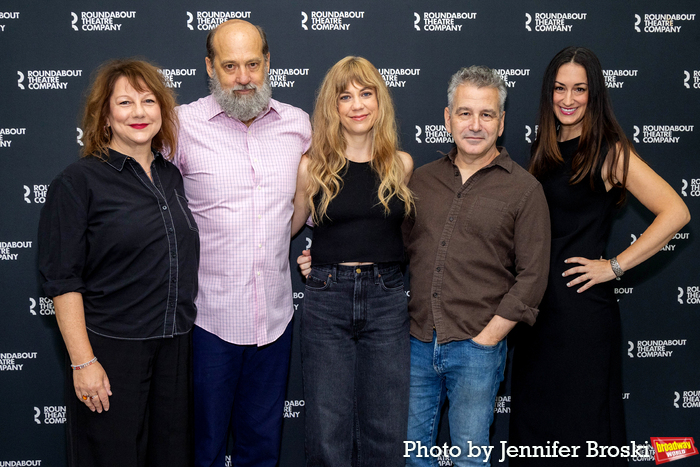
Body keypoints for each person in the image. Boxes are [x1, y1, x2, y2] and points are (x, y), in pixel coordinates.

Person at [509, 46, 691, 466]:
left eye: (579, 89)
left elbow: (676, 212)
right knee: (536, 435)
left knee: (581, 432)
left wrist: (614, 266)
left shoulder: (607, 150)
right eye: (559, 88)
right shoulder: (544, 147)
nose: (567, 99)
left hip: (580, 316)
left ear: (595, 95)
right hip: (536, 315)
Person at [38, 59, 199, 467]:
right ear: (106, 116)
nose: (139, 112)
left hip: (175, 347)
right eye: (125, 102)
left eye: (148, 101)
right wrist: (84, 362)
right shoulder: (78, 182)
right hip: (111, 353)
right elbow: (62, 281)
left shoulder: (171, 176)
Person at [172, 19, 311, 467]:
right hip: (208, 323)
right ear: (210, 67)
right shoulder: (179, 126)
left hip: (274, 322)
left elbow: (328, 196)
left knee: (262, 449)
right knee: (203, 449)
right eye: (230, 66)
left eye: (253, 64)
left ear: (268, 63)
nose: (244, 78)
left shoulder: (298, 125)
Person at [403, 66, 550, 467]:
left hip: (477, 348)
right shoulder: (420, 181)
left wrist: (489, 338)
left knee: (470, 459)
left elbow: (533, 275)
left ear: (501, 123)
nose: (474, 124)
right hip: (417, 341)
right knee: (412, 458)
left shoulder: (524, 190)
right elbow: (393, 247)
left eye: (486, 114)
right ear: (448, 118)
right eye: (465, 113)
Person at [291, 56, 414, 467]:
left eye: (366, 94)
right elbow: (289, 229)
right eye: (346, 96)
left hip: (387, 298)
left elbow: (401, 235)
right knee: (328, 426)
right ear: (333, 107)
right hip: (327, 298)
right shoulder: (312, 167)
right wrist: (314, 260)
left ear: (380, 102)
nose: (357, 104)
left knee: (387, 424)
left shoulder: (401, 165)